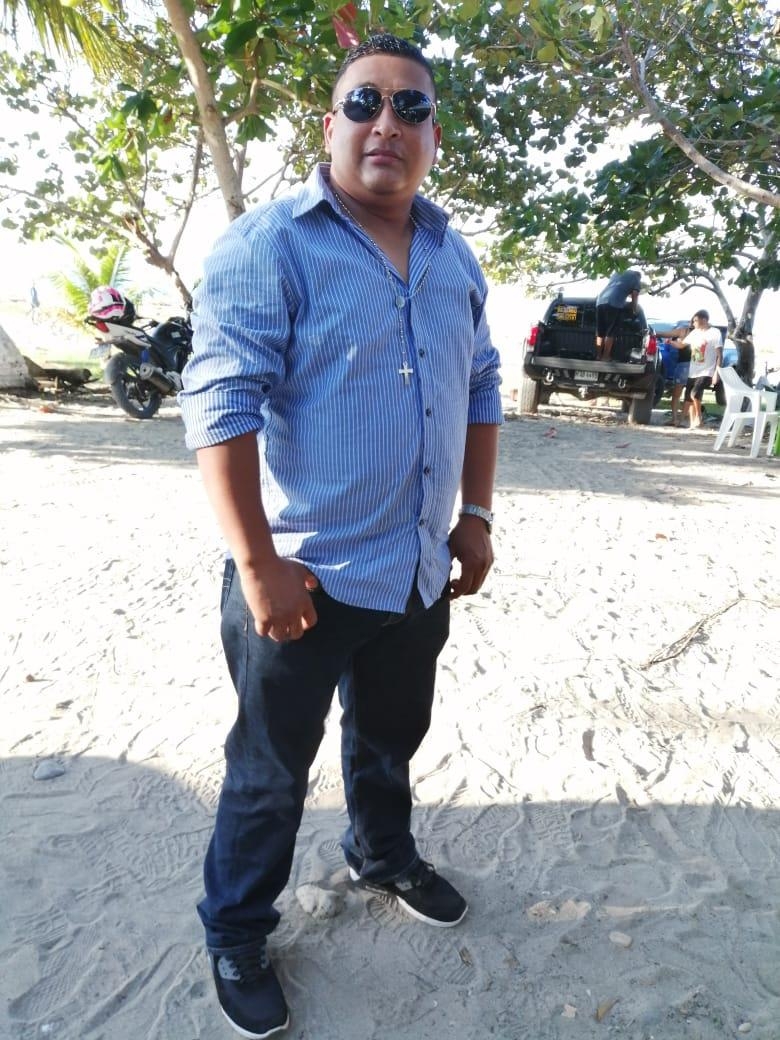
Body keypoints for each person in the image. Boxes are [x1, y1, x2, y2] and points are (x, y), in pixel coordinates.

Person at [179, 32, 502, 1040]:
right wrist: (258, 563)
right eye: (365, 102)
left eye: (411, 107)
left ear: (434, 135)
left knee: (389, 740)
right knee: (269, 770)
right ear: (330, 125)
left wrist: (477, 514)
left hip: (415, 573)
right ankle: (237, 930)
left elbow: (482, 383)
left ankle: (381, 854)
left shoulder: (453, 254)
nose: (386, 123)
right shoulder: (270, 245)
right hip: (303, 579)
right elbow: (220, 404)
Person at [681, 309, 723, 429]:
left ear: (704, 320)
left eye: (695, 320)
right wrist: (670, 342)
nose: (693, 323)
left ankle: (699, 418)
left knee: (695, 394)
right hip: (693, 371)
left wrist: (717, 373)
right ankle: (692, 422)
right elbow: (682, 344)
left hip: (707, 371)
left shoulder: (715, 333)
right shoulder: (695, 333)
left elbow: (720, 355)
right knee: (689, 397)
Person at [595, 269, 641, 360]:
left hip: (600, 301)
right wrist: (634, 309)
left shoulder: (618, 273)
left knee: (600, 332)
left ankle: (598, 356)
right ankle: (605, 357)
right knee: (610, 332)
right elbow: (635, 294)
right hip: (614, 303)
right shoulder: (636, 277)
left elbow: (618, 288)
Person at [664, 323, 693, 426]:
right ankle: (681, 420)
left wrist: (670, 341)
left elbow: (680, 345)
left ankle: (675, 419)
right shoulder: (701, 334)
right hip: (696, 366)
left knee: (676, 394)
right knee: (689, 395)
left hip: (683, 365)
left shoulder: (685, 333)